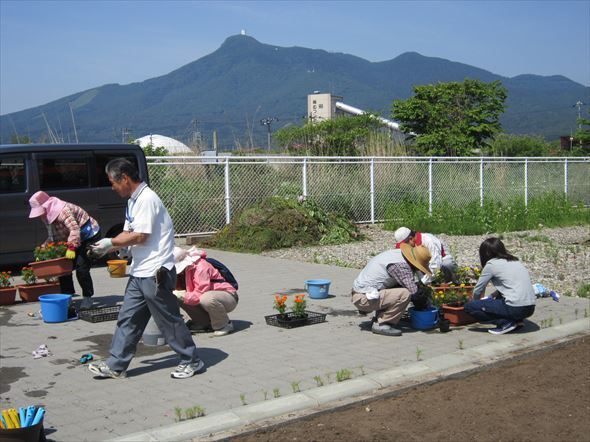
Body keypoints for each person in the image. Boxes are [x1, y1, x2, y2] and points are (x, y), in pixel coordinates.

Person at [87, 158, 203, 379]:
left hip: (155, 271)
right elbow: (129, 232)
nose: (112, 187)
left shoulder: (147, 199)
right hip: (140, 271)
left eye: (113, 182)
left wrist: (111, 243)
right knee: (128, 318)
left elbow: (141, 235)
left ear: (125, 178)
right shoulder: (133, 200)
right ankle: (116, 365)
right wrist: (113, 248)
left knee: (168, 319)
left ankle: (192, 360)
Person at [28, 191, 100, 309]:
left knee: (81, 267)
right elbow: (53, 236)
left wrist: (71, 247)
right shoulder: (46, 216)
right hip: (73, 238)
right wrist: (42, 250)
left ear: (46, 206)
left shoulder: (63, 210)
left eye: (40, 211)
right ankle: (67, 297)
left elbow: (75, 229)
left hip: (88, 234)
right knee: (62, 268)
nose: (40, 215)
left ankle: (88, 298)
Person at [351, 244, 432, 336]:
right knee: (405, 294)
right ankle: (383, 324)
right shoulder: (401, 266)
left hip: (361, 293)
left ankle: (379, 317)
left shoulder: (397, 255)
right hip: (363, 299)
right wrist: (424, 306)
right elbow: (414, 293)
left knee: (399, 287)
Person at [464, 237, 536, 335]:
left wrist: (477, 304)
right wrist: (492, 296)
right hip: (530, 308)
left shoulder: (491, 264)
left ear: (486, 254)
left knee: (469, 307)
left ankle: (506, 323)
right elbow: (510, 286)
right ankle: (517, 321)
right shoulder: (514, 260)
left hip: (515, 308)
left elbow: (478, 289)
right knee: (498, 297)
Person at [172, 247, 238, 336]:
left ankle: (223, 325)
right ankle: (203, 323)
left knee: (206, 298)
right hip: (205, 296)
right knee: (179, 296)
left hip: (228, 297)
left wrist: (182, 295)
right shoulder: (184, 272)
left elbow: (200, 293)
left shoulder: (201, 267)